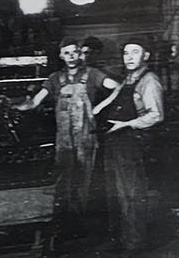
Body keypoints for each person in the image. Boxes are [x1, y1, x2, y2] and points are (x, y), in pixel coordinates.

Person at [17, 39, 118, 239]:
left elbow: (119, 87)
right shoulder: (55, 79)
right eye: (67, 52)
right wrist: (15, 106)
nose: (71, 56)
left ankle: (84, 228)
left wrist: (100, 107)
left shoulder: (93, 75)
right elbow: (35, 102)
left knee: (85, 182)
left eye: (75, 52)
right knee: (63, 181)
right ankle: (64, 227)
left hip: (86, 140)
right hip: (64, 142)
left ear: (80, 54)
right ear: (61, 56)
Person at [93, 41, 164, 253]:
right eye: (126, 53)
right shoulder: (128, 79)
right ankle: (120, 239)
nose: (129, 57)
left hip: (131, 143)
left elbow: (156, 115)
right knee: (114, 193)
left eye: (135, 52)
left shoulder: (149, 81)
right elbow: (115, 96)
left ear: (146, 55)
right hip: (115, 141)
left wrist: (125, 124)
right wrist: (96, 109)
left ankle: (134, 243)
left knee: (131, 194)